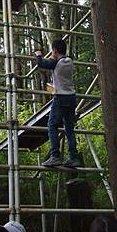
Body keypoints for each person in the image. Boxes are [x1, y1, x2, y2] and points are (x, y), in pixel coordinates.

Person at [36, 39, 81, 167]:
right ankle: (73, 157)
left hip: (60, 98)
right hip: (71, 97)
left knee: (52, 125)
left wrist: (38, 54)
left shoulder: (55, 63)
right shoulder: (69, 61)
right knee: (69, 128)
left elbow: (40, 64)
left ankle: (55, 156)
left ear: (55, 50)